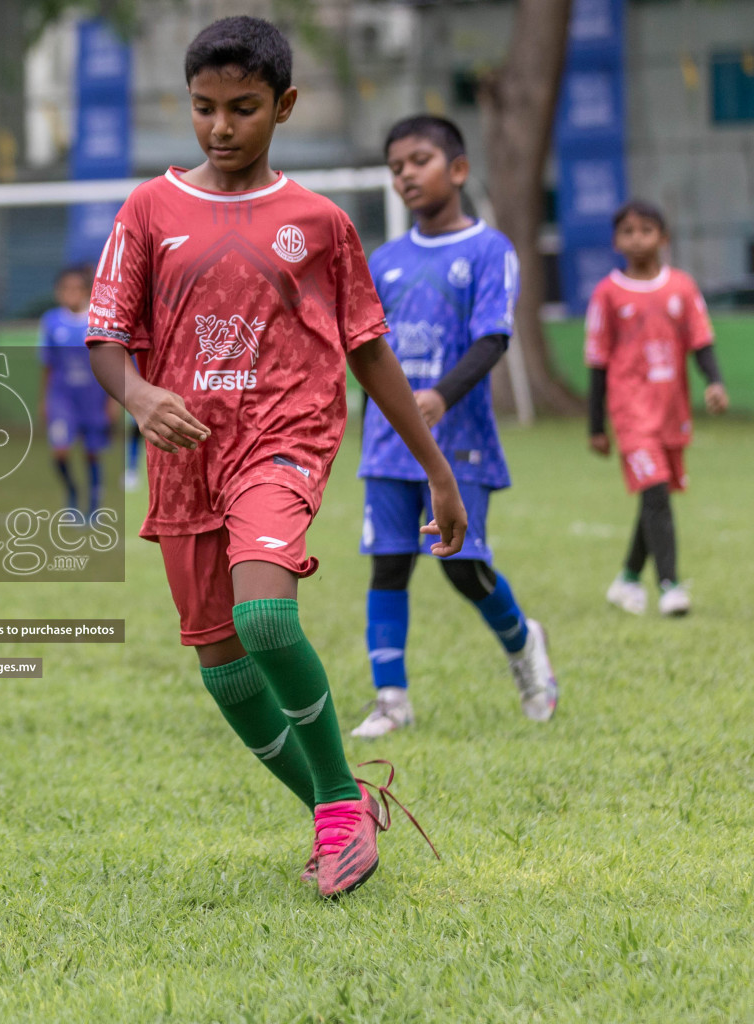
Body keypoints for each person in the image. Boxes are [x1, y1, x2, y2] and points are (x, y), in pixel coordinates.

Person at [85, 17, 462, 899]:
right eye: (205, 108)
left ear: (284, 106)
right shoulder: (149, 209)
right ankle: (339, 813)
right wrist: (139, 396)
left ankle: (336, 798)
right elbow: (105, 339)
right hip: (186, 458)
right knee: (223, 670)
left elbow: (368, 350)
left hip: (283, 438)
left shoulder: (320, 223)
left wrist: (436, 469)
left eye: (243, 108)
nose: (221, 126)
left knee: (265, 621)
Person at [352, 115, 558, 738]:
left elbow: (494, 337)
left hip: (460, 440)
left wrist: (439, 396)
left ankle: (524, 645)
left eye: (419, 160)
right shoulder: (382, 261)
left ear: (458, 169)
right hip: (387, 448)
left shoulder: (489, 250)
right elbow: (367, 355)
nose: (406, 175)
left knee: (460, 566)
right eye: (396, 168)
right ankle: (392, 699)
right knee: (389, 565)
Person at [586, 199, 728, 617]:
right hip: (631, 414)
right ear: (616, 241)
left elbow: (700, 340)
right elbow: (597, 360)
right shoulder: (608, 294)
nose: (637, 238)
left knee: (656, 495)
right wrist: (597, 426)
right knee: (656, 495)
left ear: (663, 238)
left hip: (670, 411)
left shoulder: (681, 288)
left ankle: (627, 580)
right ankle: (669, 585)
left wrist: (715, 382)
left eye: (646, 230)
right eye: (628, 231)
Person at [38, 265, 112, 521]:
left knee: (92, 452)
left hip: (93, 397)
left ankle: (93, 505)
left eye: (75, 288)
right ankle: (71, 492)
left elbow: (110, 363)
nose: (70, 293)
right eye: (65, 289)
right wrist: (45, 400)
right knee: (60, 449)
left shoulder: (98, 321)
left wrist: (111, 402)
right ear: (58, 292)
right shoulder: (51, 321)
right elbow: (47, 364)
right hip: (62, 397)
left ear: (85, 291)